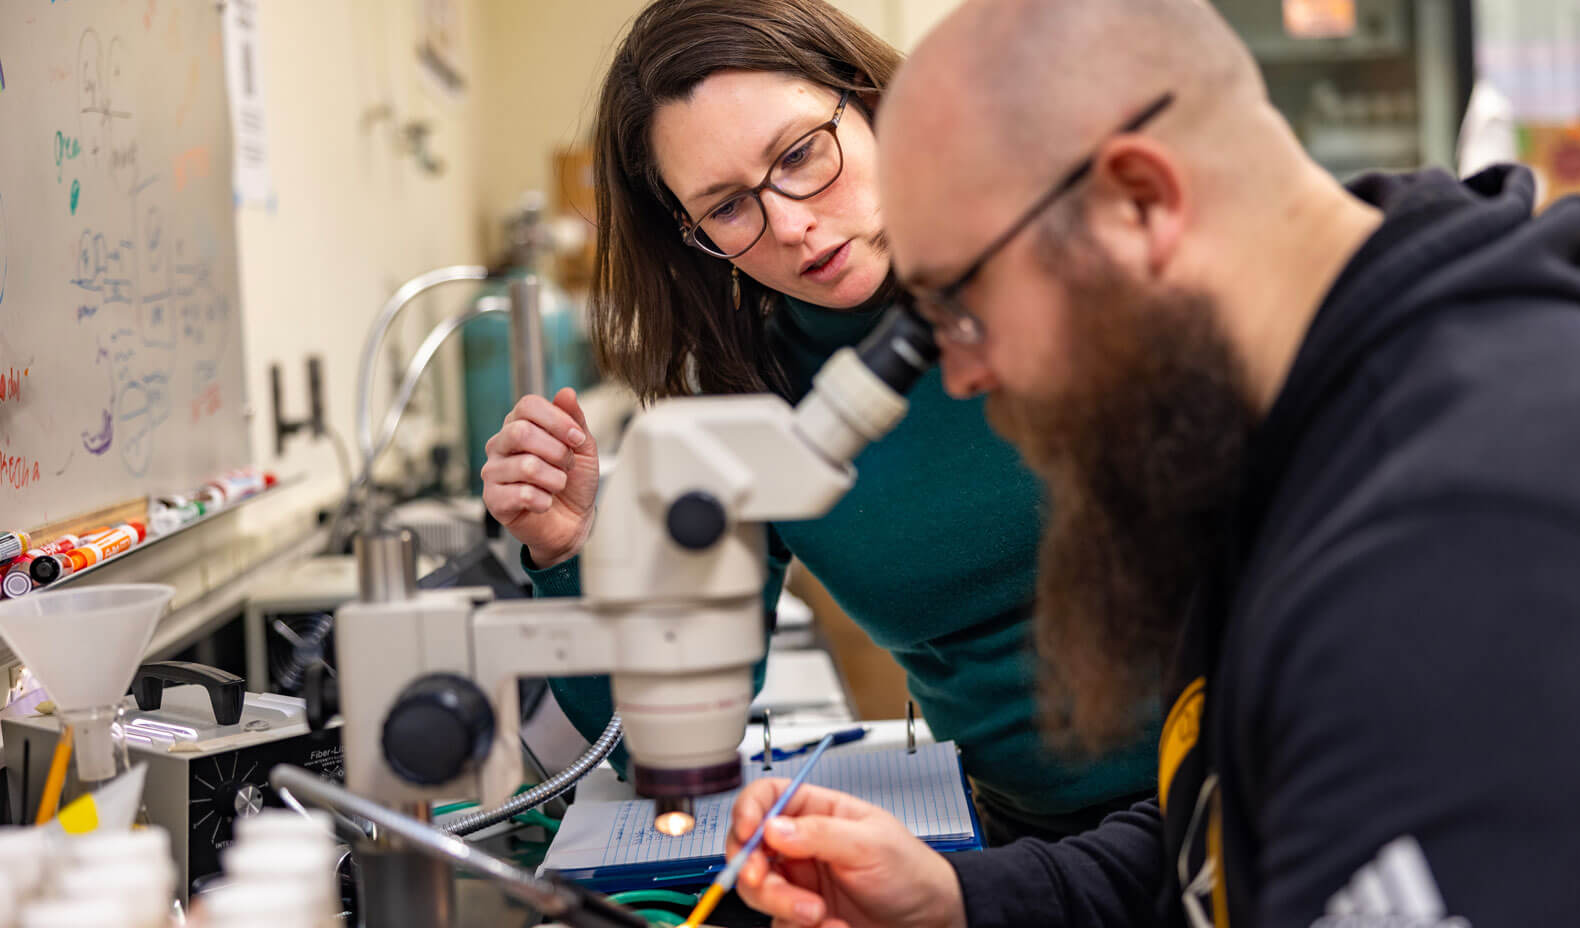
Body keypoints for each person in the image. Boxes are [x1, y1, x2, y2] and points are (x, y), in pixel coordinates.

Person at [723, 0, 1580, 926]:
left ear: (1141, 199)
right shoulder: (1289, 438)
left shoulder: (1494, 524)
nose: (962, 377)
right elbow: (1226, 842)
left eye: (962, 306)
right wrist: (964, 899)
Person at [477, 0, 1160, 844]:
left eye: (802, 154)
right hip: (1033, 849)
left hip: (1258, 791)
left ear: (870, 101)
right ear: (690, 235)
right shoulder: (746, 397)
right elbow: (659, 738)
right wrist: (569, 552)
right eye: (728, 207)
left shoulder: (1090, 258)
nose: (792, 224)